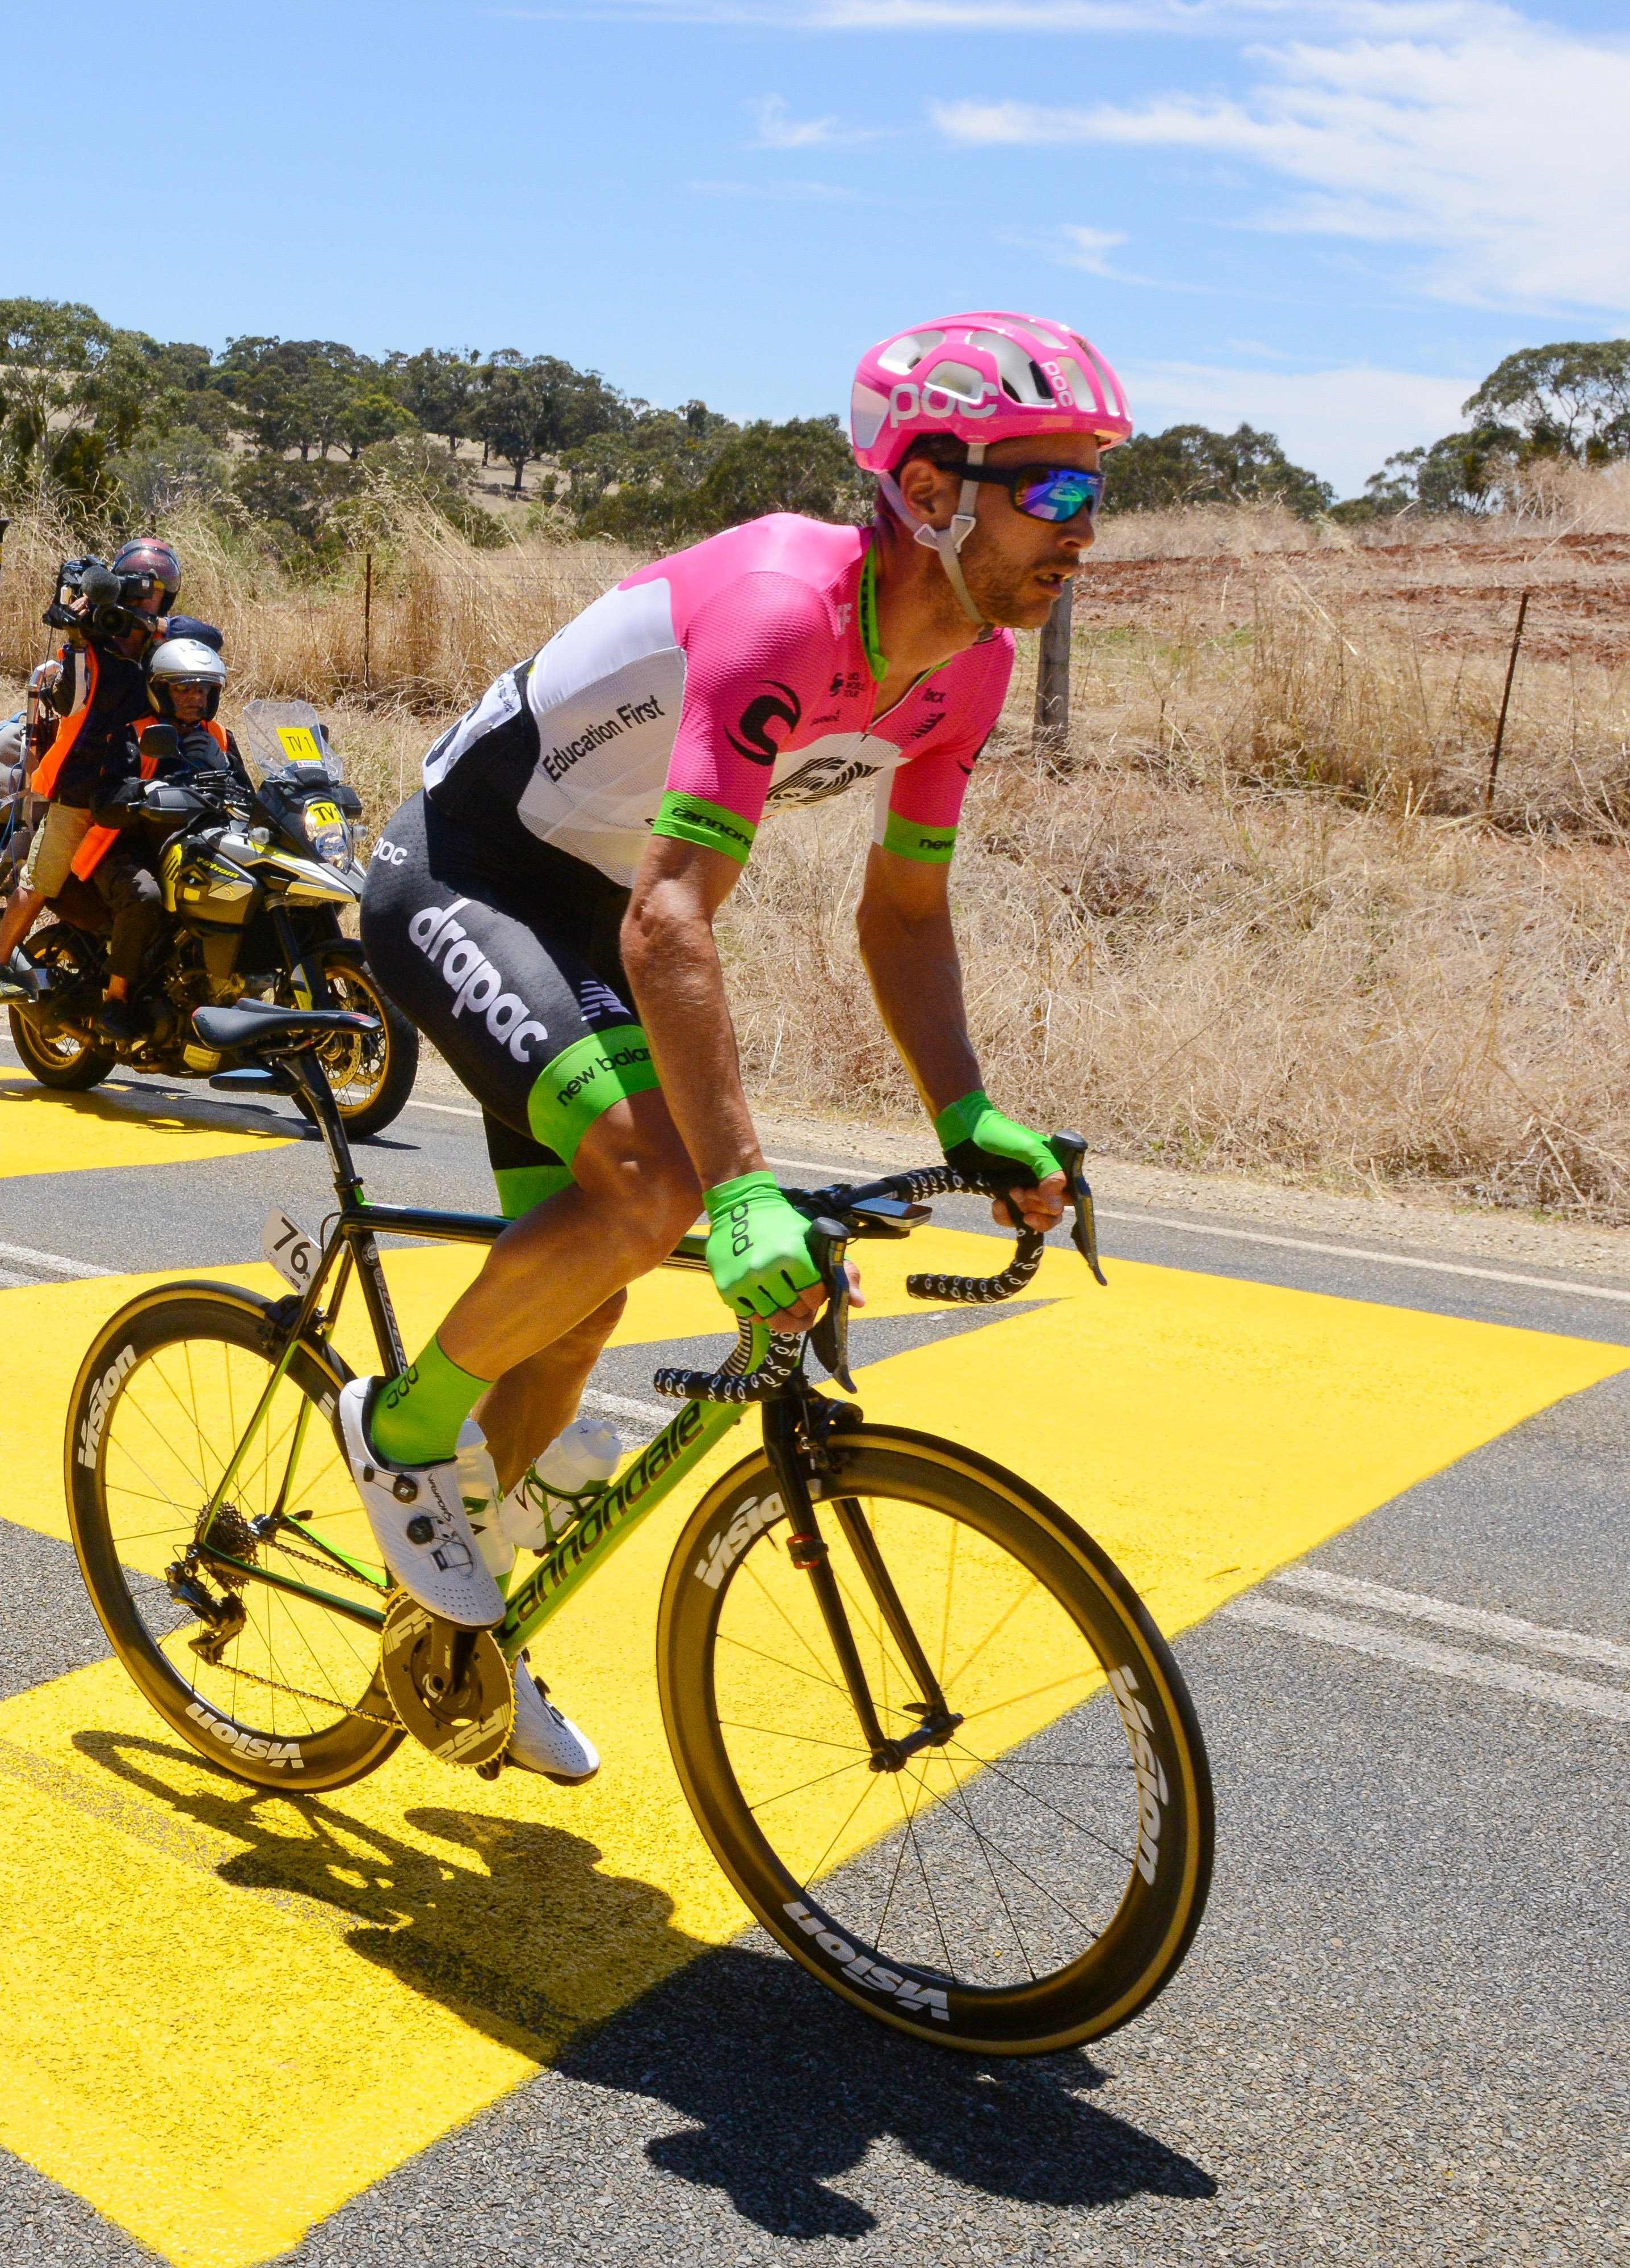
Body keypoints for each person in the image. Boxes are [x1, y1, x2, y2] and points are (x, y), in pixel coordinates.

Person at [339, 313, 1124, 1783]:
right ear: (934, 489)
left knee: (573, 1319)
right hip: (466, 873)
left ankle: (447, 1642)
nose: (1082, 532)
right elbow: (670, 922)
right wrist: (742, 1179)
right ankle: (400, 1425)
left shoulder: (960, 673)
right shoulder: (783, 608)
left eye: (1095, 492)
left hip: (597, 903)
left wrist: (970, 1118)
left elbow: (901, 918)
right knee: (656, 1186)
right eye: (1055, 491)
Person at [0, 537, 186, 994]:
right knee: (40, 881)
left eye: (158, 594)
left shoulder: (163, 644)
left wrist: (157, 626)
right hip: (79, 789)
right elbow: (71, 699)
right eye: (143, 591)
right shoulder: (89, 647)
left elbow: (209, 640)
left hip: (136, 789)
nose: (149, 600)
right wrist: (76, 633)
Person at [85, 633, 256, 1040]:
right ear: (161, 689)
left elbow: (248, 795)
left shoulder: (220, 738)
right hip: (129, 848)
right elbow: (104, 798)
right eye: (184, 688)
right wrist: (142, 794)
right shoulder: (136, 734)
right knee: (145, 896)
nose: (195, 698)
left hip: (199, 846)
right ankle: (117, 998)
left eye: (203, 689)